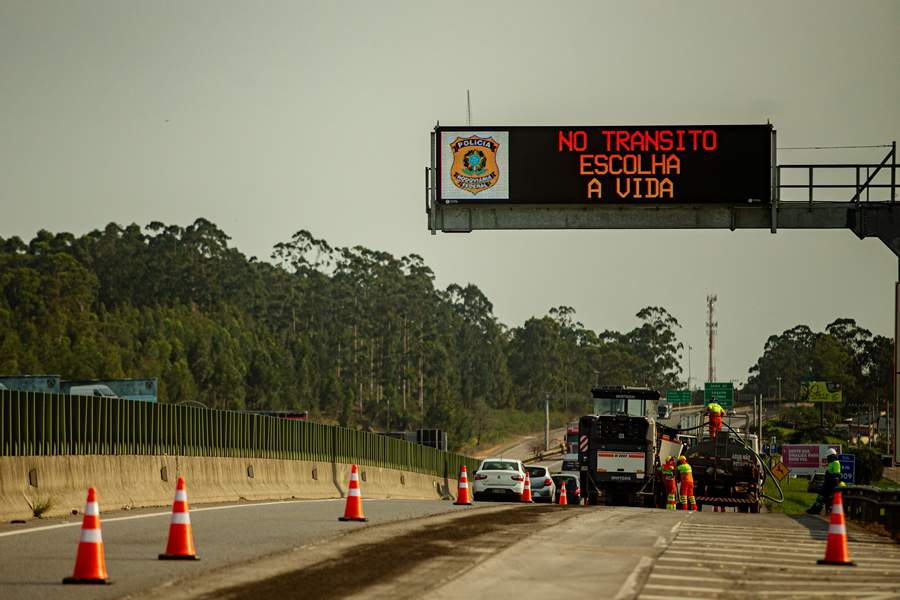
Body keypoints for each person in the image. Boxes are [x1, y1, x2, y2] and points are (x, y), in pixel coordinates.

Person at [806, 448, 845, 515]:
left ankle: (816, 510)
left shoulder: (836, 463)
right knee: (820, 496)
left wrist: (830, 475)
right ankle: (815, 509)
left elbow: (836, 475)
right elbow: (831, 468)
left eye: (828, 457)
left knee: (822, 496)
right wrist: (826, 465)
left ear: (832, 456)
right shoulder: (832, 462)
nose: (827, 458)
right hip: (827, 483)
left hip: (831, 484)